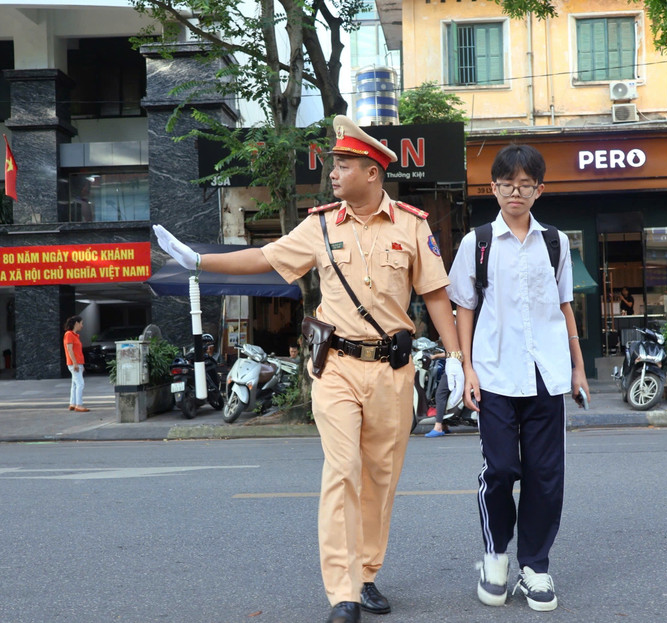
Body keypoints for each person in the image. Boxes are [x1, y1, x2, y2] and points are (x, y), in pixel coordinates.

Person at [153, 115, 464, 623]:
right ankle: (342, 591)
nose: (334, 172)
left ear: (373, 171)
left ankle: (366, 575)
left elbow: (434, 294)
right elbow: (263, 257)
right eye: (335, 163)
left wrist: (454, 361)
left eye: (344, 164)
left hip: (391, 370)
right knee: (341, 472)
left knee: (381, 477)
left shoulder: (412, 224)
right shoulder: (319, 225)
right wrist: (199, 261)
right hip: (335, 366)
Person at [447, 143, 590, 612]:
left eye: (526, 185)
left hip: (546, 374)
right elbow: (464, 307)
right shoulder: (478, 242)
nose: (516, 192)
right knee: (503, 468)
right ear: (494, 187)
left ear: (539, 190)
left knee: (546, 476)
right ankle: (495, 554)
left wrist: (578, 367)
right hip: (494, 374)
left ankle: (536, 566)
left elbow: (565, 306)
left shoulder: (556, 242)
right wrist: (467, 368)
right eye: (507, 183)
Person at [63, 315, 90, 412]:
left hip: (77, 363)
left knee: (75, 384)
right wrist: (75, 363)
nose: (82, 326)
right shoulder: (69, 334)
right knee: (80, 383)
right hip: (74, 363)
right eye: (81, 323)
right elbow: (69, 349)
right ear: (76, 323)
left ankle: (73, 403)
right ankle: (79, 405)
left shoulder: (74, 335)